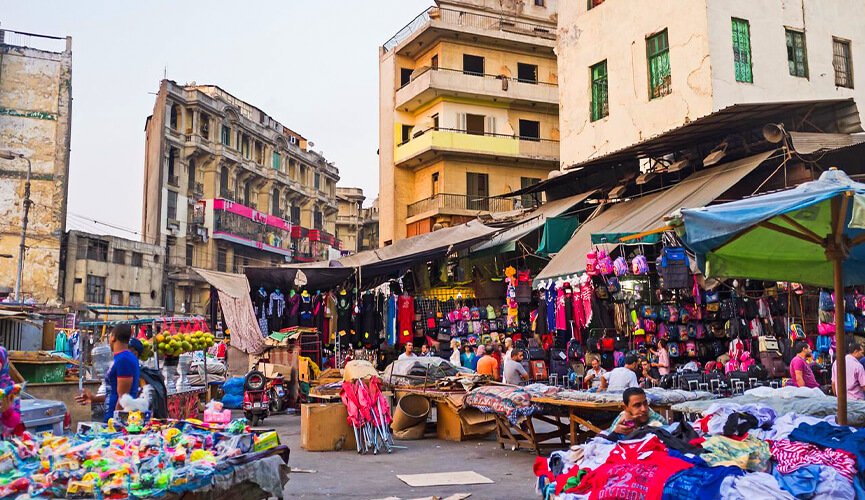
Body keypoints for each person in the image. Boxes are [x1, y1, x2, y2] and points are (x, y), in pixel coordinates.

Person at [76, 324, 141, 422]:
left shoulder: (124, 359)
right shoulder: (119, 358)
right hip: (111, 417)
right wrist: (94, 398)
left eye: (110, 335)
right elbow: (114, 393)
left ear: (113, 337)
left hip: (119, 421)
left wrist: (115, 424)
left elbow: (123, 397)